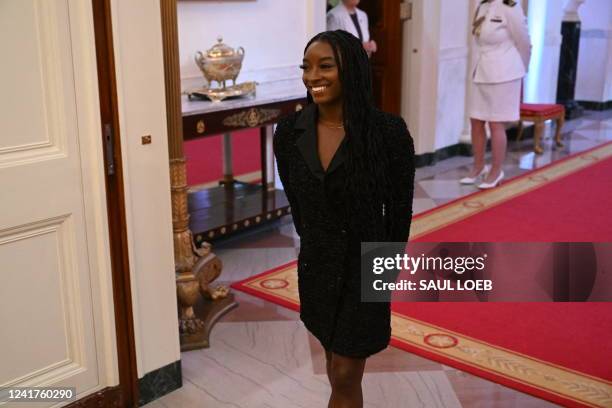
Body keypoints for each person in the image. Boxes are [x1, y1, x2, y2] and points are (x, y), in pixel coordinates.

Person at [273, 30, 415, 407]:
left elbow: (400, 212)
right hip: (318, 266)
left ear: (350, 68)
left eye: (325, 66)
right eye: (306, 67)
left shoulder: (388, 133)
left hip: (365, 266)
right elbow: (296, 201)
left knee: (347, 373)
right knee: (336, 365)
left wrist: (385, 269)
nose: (312, 76)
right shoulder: (289, 132)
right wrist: (315, 244)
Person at [462, 0, 531, 189]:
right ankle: (478, 167)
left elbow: (524, 42)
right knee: (476, 120)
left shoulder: (511, 7)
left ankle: (496, 171)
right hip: (482, 71)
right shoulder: (482, 6)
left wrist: (521, 68)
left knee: (496, 123)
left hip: (505, 74)